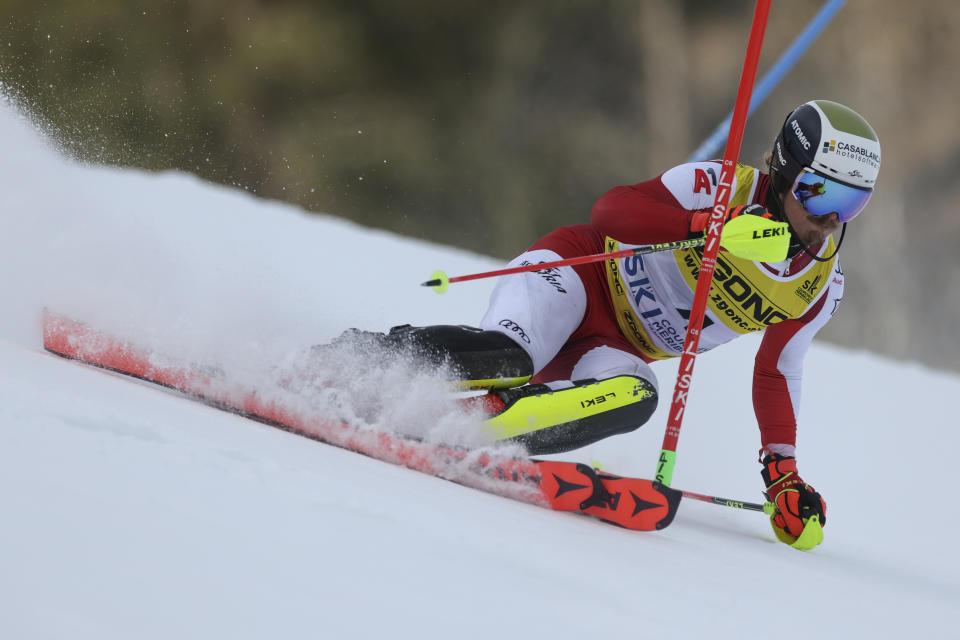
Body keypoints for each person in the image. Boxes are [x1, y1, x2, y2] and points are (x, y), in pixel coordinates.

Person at [353, 100, 880, 546]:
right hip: (577, 278)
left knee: (635, 396)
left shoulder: (820, 286)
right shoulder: (719, 187)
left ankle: (476, 422)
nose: (831, 220)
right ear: (786, 175)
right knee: (509, 357)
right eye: (821, 194)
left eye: (852, 204)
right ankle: (358, 363)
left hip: (613, 345)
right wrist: (705, 226)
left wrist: (783, 477)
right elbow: (609, 211)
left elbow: (776, 371)